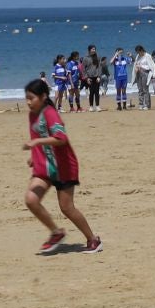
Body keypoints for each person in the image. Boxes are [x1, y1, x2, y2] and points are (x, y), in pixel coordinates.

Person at [21, 77, 101, 255]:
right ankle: (56, 233)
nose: (28, 102)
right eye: (26, 98)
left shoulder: (50, 113)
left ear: (42, 97)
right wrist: (34, 156)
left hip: (63, 167)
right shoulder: (32, 114)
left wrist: (36, 143)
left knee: (67, 208)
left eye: (31, 98)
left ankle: (93, 240)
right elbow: (38, 134)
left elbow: (60, 138)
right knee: (31, 200)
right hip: (44, 167)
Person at [133, 44, 155, 110]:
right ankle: (141, 104)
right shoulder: (138, 56)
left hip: (145, 73)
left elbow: (151, 66)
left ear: (141, 50)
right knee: (140, 89)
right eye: (137, 52)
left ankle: (147, 105)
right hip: (138, 73)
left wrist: (142, 67)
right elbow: (136, 63)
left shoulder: (147, 56)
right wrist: (136, 67)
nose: (138, 53)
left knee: (145, 89)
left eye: (138, 52)